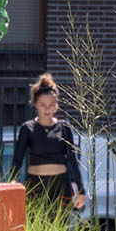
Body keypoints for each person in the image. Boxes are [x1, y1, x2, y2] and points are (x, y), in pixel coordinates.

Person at [10, 73, 88, 215]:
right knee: (34, 225)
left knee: (59, 228)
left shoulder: (64, 127)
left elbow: (72, 160)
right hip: (35, 185)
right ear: (35, 105)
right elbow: (17, 159)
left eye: (51, 105)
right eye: (43, 105)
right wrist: (11, 182)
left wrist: (81, 190)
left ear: (56, 106)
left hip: (60, 185)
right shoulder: (27, 128)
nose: (47, 110)